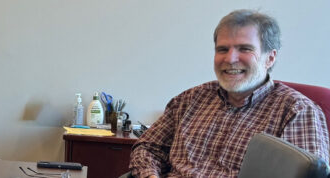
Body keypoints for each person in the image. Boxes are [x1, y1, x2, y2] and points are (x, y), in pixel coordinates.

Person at [129, 9, 329, 178]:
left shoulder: (297, 111)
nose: (230, 59)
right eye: (222, 49)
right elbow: (148, 148)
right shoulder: (189, 100)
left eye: (244, 48)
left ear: (270, 58)